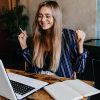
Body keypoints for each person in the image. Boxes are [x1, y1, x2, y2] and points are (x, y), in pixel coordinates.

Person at [18, 0, 87, 78]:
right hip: (40, 81)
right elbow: (33, 65)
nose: (43, 20)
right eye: (40, 16)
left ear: (56, 18)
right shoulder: (37, 37)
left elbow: (79, 69)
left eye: (47, 16)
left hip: (61, 84)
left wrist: (80, 45)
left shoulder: (69, 35)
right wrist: (23, 45)